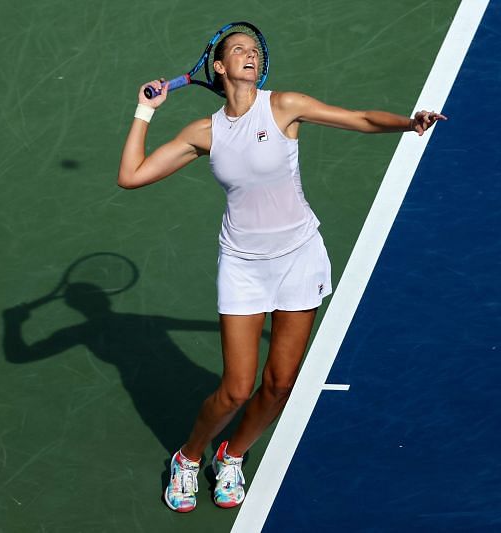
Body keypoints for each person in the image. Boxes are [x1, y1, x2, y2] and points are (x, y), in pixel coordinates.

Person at [117, 30, 446, 513]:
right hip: (243, 267)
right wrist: (145, 112)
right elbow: (131, 176)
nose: (249, 55)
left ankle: (231, 455)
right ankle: (187, 458)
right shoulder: (203, 133)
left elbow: (356, 118)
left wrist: (407, 123)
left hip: (299, 256)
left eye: (254, 50)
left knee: (280, 384)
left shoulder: (284, 106)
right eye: (237, 51)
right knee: (235, 388)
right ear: (220, 68)